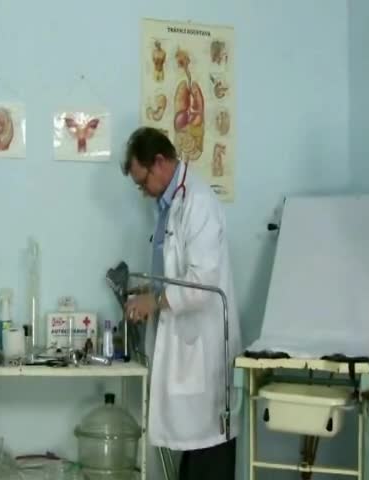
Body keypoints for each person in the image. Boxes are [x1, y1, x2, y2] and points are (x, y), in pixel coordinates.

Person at [122, 127, 242, 480]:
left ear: (159, 162)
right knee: (193, 456)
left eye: (143, 181)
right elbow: (178, 270)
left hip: (203, 346)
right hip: (185, 343)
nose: (143, 191)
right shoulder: (169, 205)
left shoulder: (198, 202)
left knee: (209, 448)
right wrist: (150, 289)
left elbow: (202, 283)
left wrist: (155, 300)